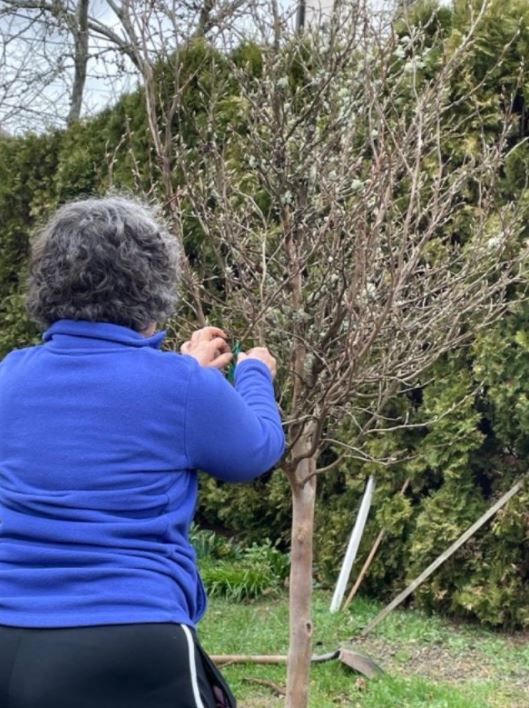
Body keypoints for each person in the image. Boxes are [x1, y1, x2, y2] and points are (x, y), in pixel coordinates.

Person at [0, 195, 285, 708]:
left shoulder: (10, 374)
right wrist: (255, 374)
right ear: (152, 283)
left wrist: (189, 373)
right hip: (130, 636)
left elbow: (99, 409)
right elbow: (257, 449)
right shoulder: (180, 387)